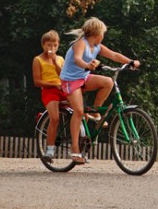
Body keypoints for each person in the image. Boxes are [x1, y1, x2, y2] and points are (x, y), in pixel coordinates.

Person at [60, 17, 139, 164]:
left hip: (83, 77)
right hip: (70, 80)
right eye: (103, 33)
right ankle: (75, 149)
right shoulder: (80, 44)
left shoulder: (97, 46)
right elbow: (77, 59)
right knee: (78, 111)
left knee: (108, 82)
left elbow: (114, 55)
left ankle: (96, 112)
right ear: (96, 33)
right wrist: (87, 65)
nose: (103, 36)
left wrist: (130, 62)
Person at [32, 30, 64, 162]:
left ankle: (80, 147)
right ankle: (50, 150)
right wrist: (53, 85)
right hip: (49, 90)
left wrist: (55, 62)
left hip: (62, 88)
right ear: (43, 45)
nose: (52, 48)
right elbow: (37, 81)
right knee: (55, 118)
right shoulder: (38, 60)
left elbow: (64, 76)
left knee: (80, 111)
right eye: (49, 45)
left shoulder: (60, 59)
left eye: (55, 45)